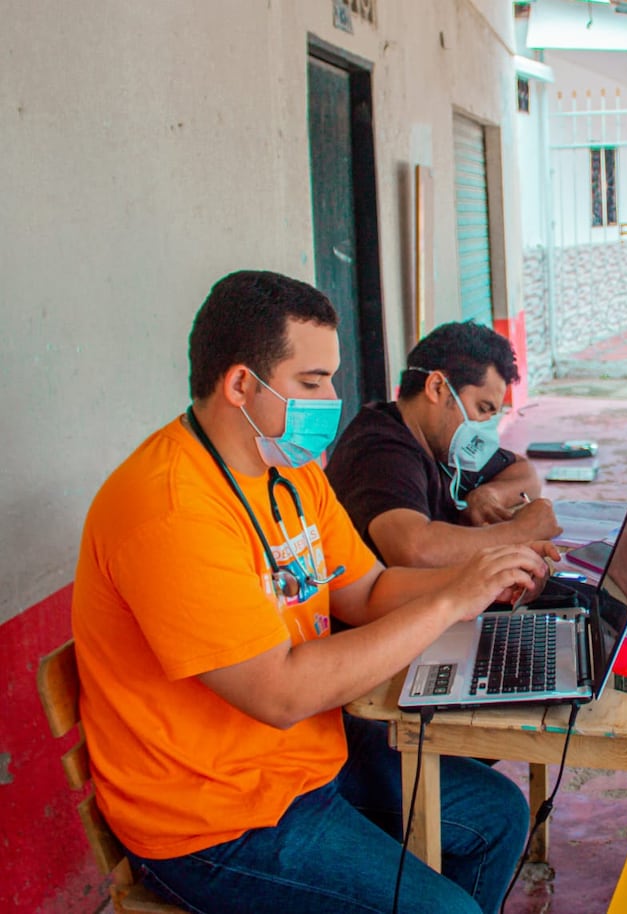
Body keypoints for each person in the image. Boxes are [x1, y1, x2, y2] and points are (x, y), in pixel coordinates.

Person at [72, 271, 553, 914]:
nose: (332, 398)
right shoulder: (168, 509)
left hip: (304, 764)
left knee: (497, 816)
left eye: (330, 377)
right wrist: (449, 600)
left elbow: (368, 588)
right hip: (213, 821)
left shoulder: (290, 471)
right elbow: (281, 692)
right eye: (311, 382)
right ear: (240, 383)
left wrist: (484, 579)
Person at [326, 321, 561, 568]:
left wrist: (489, 495)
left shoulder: (442, 444)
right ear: (437, 387)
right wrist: (519, 532)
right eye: (481, 409)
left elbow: (524, 472)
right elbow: (414, 550)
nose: (483, 426)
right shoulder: (380, 451)